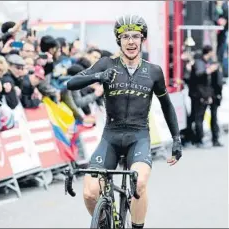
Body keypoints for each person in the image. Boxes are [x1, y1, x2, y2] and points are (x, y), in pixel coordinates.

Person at [67, 14, 183, 229]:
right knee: (90, 192)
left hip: (138, 136)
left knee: (138, 183)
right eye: (125, 37)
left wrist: (176, 139)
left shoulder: (154, 71)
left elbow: (166, 105)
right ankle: (103, 222)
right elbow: (71, 83)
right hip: (110, 136)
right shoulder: (105, 63)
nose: (131, 41)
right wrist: (97, 76)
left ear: (142, 39)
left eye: (136, 36)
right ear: (118, 40)